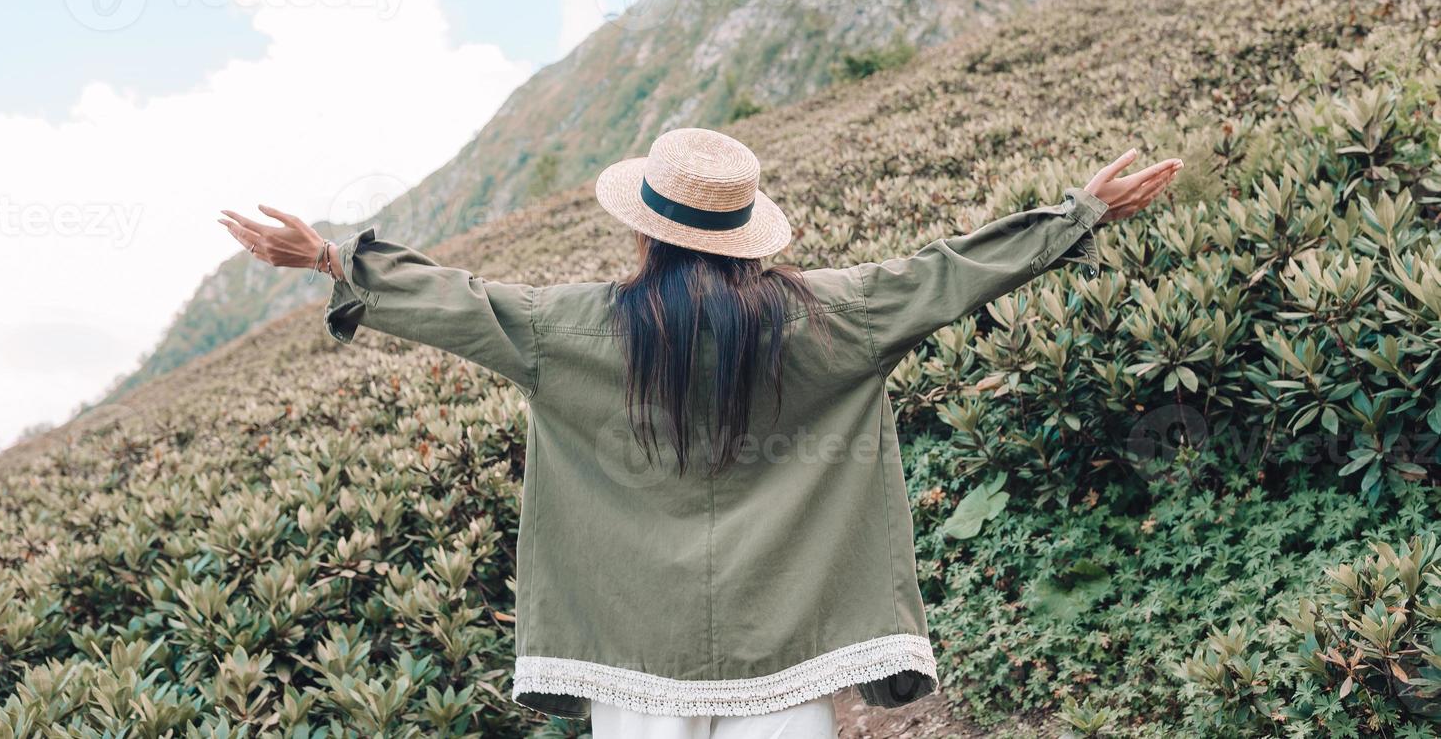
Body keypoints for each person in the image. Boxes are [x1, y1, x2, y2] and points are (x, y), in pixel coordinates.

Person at [220, 127, 1181, 739]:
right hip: (786, 642)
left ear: (646, 226)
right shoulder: (832, 313)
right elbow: (940, 274)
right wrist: (1074, 216)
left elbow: (464, 303)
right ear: (748, 227)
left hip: (632, 648)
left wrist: (330, 257)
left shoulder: (572, 325)